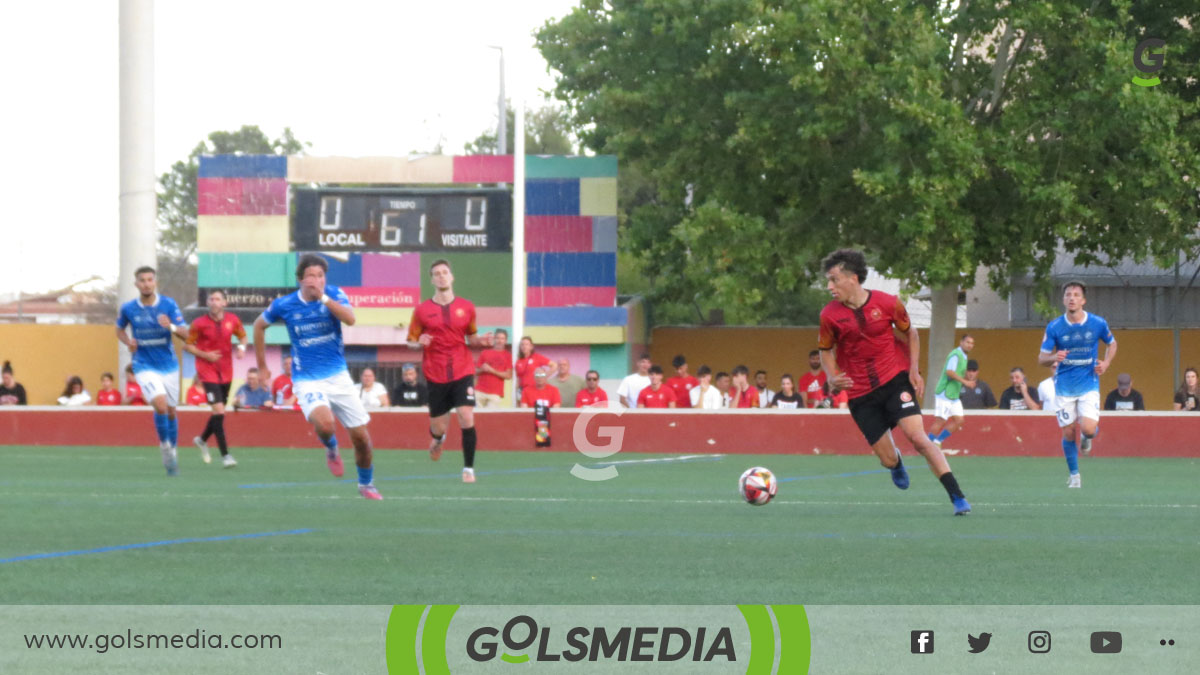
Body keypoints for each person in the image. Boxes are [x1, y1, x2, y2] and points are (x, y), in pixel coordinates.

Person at [817, 249, 971, 515]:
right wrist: (831, 375)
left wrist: (914, 370)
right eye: (828, 281)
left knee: (919, 439)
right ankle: (896, 464)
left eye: (834, 280)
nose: (830, 286)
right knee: (887, 458)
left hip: (894, 381)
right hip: (860, 393)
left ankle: (957, 497)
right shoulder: (829, 316)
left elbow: (911, 334)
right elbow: (825, 349)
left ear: (853, 278)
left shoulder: (888, 303)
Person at [254, 254, 382, 500]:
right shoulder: (286, 304)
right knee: (325, 424)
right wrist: (262, 366)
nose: (316, 280)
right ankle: (331, 447)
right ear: (300, 279)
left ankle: (366, 484)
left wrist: (323, 297)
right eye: (311, 276)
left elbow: (350, 319)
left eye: (320, 276)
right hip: (307, 379)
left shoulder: (334, 294)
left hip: (339, 378)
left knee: (362, 440)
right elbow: (259, 326)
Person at [407, 259, 494, 484]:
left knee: (466, 416)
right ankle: (438, 438)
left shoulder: (467, 307)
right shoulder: (422, 310)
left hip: (462, 369)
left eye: (445, 272)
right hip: (435, 373)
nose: (442, 276)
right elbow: (411, 341)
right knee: (438, 425)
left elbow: (471, 337)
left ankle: (468, 469)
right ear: (432, 280)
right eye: (437, 273)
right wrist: (420, 341)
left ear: (452, 277)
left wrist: (482, 341)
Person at [1037, 280, 1117, 487]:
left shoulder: (1097, 323)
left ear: (1083, 300)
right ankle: (1074, 476)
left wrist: (1106, 363)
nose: (1071, 298)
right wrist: (1055, 357)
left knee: (1088, 429)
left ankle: (1088, 438)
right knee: (1069, 431)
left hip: (1089, 384)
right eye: (1068, 295)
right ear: (1063, 299)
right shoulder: (1055, 326)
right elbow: (1041, 358)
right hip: (1063, 386)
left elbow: (1112, 343)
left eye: (1076, 295)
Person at [115, 266, 188, 475]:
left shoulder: (168, 304)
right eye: (142, 280)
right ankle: (165, 445)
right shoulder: (129, 308)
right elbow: (118, 329)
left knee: (172, 411)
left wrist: (171, 327)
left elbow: (186, 334)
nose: (146, 284)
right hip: (143, 364)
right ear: (136, 284)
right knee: (161, 404)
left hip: (169, 365)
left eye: (150, 280)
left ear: (155, 282)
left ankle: (172, 453)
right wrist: (128, 341)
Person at [184, 288, 247, 467]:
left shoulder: (232, 320)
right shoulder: (199, 323)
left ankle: (202, 439)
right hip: (206, 371)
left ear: (224, 303)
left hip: (226, 371)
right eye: (211, 299)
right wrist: (206, 355)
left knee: (219, 413)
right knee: (219, 411)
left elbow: (242, 337)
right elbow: (188, 346)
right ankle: (226, 456)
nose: (214, 302)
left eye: (217, 299)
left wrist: (241, 348)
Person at [927, 334, 976, 447]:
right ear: (961, 342)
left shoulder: (963, 356)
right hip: (945, 392)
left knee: (959, 420)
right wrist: (965, 382)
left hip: (953, 394)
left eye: (972, 343)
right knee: (940, 421)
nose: (970, 345)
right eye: (968, 342)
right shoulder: (956, 355)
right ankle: (927, 446)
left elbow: (957, 372)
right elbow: (949, 372)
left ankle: (937, 441)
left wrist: (967, 379)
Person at [474, 329, 512, 408]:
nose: (499, 341)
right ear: (494, 339)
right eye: (497, 338)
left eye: (502, 339)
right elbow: (475, 371)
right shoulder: (484, 352)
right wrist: (482, 369)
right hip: (479, 391)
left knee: (490, 418)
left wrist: (492, 370)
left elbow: (508, 375)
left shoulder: (508, 356)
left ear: (505, 341)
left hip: (495, 393)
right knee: (476, 416)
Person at [514, 336, 555, 402]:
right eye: (522, 344)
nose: (524, 346)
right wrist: (516, 395)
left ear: (531, 347)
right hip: (523, 391)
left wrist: (544, 376)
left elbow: (554, 365)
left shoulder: (537, 357)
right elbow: (518, 379)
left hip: (534, 390)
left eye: (527, 344)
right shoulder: (518, 362)